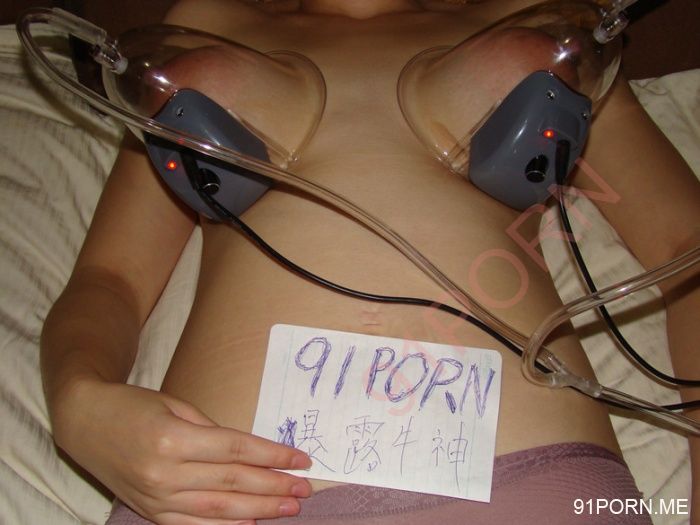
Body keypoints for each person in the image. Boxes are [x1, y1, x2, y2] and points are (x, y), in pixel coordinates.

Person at [40, 0, 700, 524]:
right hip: (218, 494)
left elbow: (685, 245)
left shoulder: (547, 22)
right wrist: (77, 403)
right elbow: (110, 279)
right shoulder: (202, 23)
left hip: (535, 485)